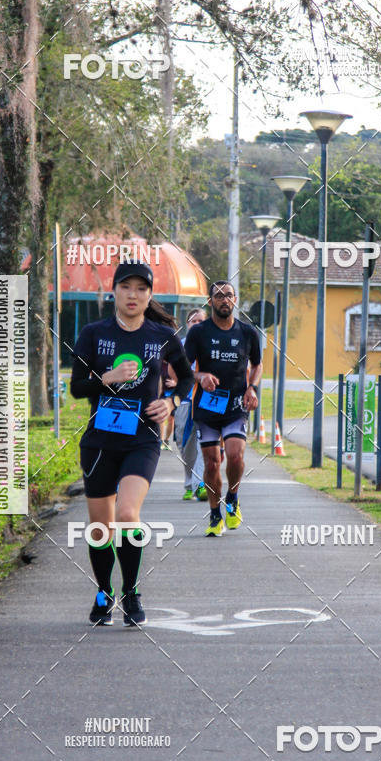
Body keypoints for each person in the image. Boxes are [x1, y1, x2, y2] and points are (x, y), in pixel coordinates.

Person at [70, 261, 193, 626]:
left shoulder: (162, 336)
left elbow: (186, 378)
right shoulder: (93, 333)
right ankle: (104, 591)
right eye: (127, 287)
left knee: (127, 515)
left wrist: (170, 402)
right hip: (99, 442)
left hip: (142, 440)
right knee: (100, 528)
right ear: (115, 291)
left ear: (150, 295)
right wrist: (106, 377)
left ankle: (132, 591)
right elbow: (77, 387)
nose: (133, 295)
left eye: (142, 289)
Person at [184, 280, 262, 536]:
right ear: (210, 301)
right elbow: (185, 367)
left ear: (235, 300)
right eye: (218, 296)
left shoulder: (247, 333)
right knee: (211, 463)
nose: (224, 300)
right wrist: (201, 376)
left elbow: (257, 364)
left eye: (228, 295)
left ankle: (233, 497)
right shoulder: (198, 333)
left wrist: (252, 388)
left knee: (236, 455)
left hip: (236, 404)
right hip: (207, 405)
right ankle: (215, 513)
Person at [171, 307, 208, 500]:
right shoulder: (181, 345)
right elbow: (172, 370)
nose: (197, 324)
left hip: (207, 401)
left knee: (206, 441)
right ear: (188, 324)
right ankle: (189, 482)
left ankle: (200, 484)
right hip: (185, 400)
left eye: (201, 321)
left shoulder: (212, 343)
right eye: (194, 321)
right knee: (184, 444)